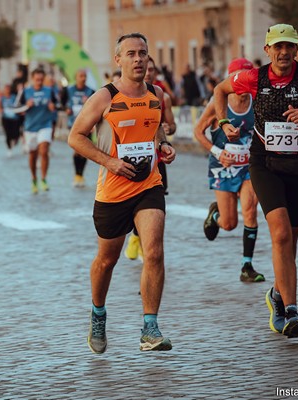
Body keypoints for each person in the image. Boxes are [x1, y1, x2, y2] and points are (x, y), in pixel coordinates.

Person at [213, 24, 298, 337]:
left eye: (289, 47)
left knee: (290, 243)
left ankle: (276, 294)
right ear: (267, 51)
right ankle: (291, 311)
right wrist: (223, 123)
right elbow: (220, 90)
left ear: (297, 50)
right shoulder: (254, 78)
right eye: (278, 47)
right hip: (265, 164)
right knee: (282, 235)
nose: (284, 53)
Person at [68, 32, 176, 353]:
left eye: (143, 53)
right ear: (118, 60)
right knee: (106, 260)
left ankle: (150, 327)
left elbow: (154, 127)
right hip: (113, 191)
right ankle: (98, 314)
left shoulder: (156, 93)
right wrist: (109, 162)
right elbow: (76, 137)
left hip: (148, 185)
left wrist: (164, 146)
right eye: (131, 54)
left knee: (154, 251)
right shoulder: (105, 97)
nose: (138, 59)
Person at [195, 58, 264, 283]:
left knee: (250, 211)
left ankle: (247, 266)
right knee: (229, 224)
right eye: (239, 80)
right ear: (231, 80)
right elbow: (198, 132)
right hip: (222, 167)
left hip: (248, 167)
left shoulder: (258, 100)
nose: (244, 86)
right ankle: (215, 215)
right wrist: (217, 152)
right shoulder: (219, 103)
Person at [124, 56, 176, 262]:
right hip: (131, 159)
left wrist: (167, 131)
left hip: (157, 161)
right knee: (133, 203)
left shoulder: (161, 96)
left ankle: (145, 243)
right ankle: (136, 237)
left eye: (152, 69)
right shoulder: (123, 95)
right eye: (147, 69)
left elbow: (171, 125)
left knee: (154, 205)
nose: (149, 72)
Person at [19, 68, 56, 194]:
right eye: (37, 79)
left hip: (45, 125)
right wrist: (26, 106)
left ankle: (44, 179)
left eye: (41, 79)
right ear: (32, 79)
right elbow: (15, 109)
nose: (39, 82)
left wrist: (53, 107)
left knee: (44, 150)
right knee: (33, 155)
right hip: (30, 128)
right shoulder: (25, 91)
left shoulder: (49, 91)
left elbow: (58, 105)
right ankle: (34, 179)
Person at [64, 69, 95, 188]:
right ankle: (77, 174)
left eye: (85, 76)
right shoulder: (69, 90)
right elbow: (62, 102)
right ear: (76, 77)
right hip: (73, 123)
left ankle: (81, 175)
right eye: (81, 76)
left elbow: (95, 108)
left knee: (84, 151)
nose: (83, 78)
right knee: (77, 149)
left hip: (87, 124)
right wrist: (66, 109)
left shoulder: (90, 91)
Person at [0, 84, 22, 157]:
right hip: (6, 118)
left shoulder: (14, 97)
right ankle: (9, 148)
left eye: (8, 89)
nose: (7, 91)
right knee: (8, 134)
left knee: (15, 133)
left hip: (14, 118)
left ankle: (15, 141)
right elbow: (0, 106)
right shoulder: (2, 98)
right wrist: (2, 110)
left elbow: (18, 104)